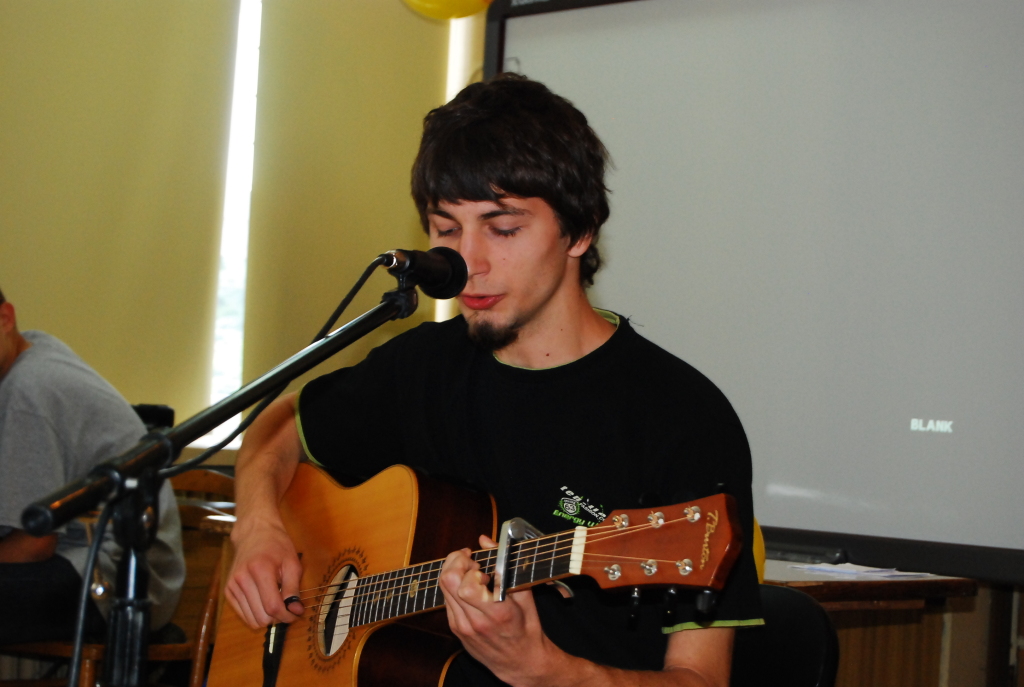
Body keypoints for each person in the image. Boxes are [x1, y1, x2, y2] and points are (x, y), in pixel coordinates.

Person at [226, 74, 762, 687]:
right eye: (446, 230)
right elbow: (276, 426)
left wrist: (545, 671)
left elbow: (701, 680)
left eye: (503, 229)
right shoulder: (420, 367)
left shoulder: (682, 417)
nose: (469, 263)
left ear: (580, 231)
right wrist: (258, 525)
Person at [0, 288, 185, 644]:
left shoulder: (28, 388)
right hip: (100, 562)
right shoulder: (33, 350)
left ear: (6, 319)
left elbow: (34, 545)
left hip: (121, 577)